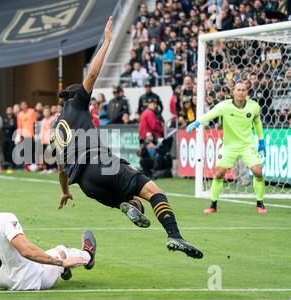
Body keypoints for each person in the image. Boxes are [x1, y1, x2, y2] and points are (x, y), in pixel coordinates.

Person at [50, 17, 203, 259]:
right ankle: (174, 235)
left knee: (135, 201)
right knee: (155, 193)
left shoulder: (54, 128)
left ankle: (129, 205)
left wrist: (65, 191)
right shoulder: (76, 104)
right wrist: (107, 42)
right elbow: (91, 75)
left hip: (86, 186)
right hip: (101, 164)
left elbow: (60, 169)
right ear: (77, 95)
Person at [186, 82, 267, 214]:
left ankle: (260, 203)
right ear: (233, 92)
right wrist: (196, 123)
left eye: (244, 90)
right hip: (229, 146)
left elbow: (257, 122)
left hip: (247, 145)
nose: (241, 92)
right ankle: (213, 205)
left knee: (258, 172)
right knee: (219, 173)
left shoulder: (254, 107)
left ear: (247, 92)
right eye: (238, 90)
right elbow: (210, 115)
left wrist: (261, 140)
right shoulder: (224, 106)